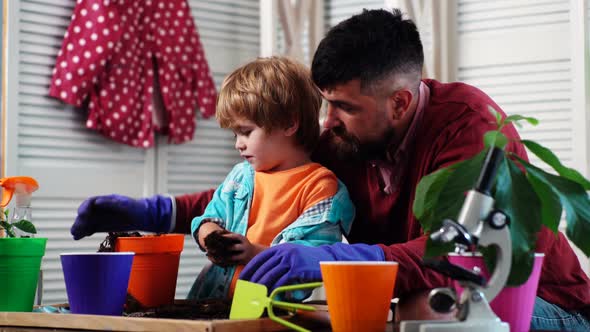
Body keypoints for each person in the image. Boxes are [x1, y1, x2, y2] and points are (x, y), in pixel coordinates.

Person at [71, 9, 590, 331]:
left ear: (401, 104)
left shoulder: (472, 129)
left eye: (343, 105)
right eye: (324, 102)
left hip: (546, 308)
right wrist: (156, 212)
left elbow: (459, 254)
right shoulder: (349, 137)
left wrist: (335, 262)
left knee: (428, 306)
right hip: (422, 296)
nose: (326, 121)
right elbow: (267, 182)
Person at [73, 56, 355, 301]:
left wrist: (254, 253)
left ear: (289, 123)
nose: (238, 144)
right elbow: (211, 216)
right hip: (210, 299)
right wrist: (208, 233)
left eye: (246, 132)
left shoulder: (321, 187)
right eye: (235, 135)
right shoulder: (240, 177)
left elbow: (314, 255)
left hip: (270, 313)